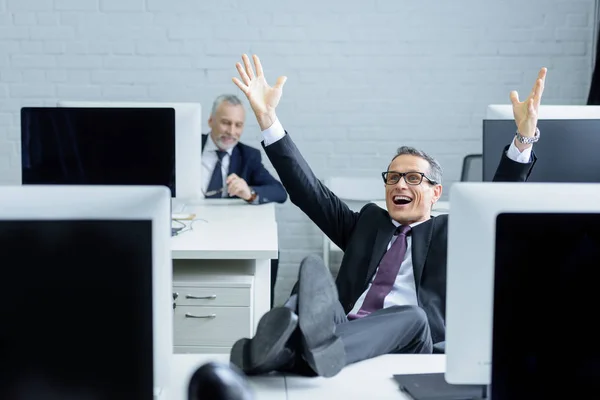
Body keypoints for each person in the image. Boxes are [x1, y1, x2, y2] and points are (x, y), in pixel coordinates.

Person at [229, 54, 546, 378]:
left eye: (412, 178)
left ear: (436, 193)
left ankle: (300, 352)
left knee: (413, 316)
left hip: (411, 340)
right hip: (347, 327)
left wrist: (523, 139)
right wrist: (268, 119)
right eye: (392, 177)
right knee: (308, 289)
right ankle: (273, 353)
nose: (399, 184)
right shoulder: (368, 223)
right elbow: (309, 191)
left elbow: (496, 204)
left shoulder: (454, 232)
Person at [203, 94, 288, 307]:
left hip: (229, 230)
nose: (231, 132)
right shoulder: (184, 146)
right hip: (189, 223)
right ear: (210, 121)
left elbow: (279, 192)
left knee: (271, 253)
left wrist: (249, 192)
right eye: (225, 122)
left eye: (238, 125)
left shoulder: (249, 156)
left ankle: (263, 315)